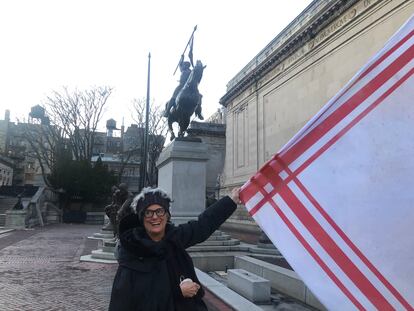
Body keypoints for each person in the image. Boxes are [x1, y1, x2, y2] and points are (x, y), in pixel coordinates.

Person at [108, 187, 241, 311]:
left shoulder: (174, 238)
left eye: (160, 211)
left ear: (167, 215)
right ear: (141, 219)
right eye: (148, 213)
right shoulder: (132, 252)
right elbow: (131, 302)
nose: (155, 217)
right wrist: (178, 292)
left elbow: (202, 225)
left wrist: (231, 200)